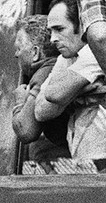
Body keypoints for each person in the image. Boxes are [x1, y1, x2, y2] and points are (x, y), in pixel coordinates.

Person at [36, 0, 106, 173]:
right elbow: (41, 111)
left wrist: (66, 95)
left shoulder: (96, 52)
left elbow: (53, 94)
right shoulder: (66, 58)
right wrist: (79, 90)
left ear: (82, 25)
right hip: (86, 157)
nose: (52, 39)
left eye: (59, 29)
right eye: (51, 31)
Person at [11, 14, 68, 174]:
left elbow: (26, 131)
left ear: (35, 52)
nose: (16, 55)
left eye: (18, 48)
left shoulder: (44, 73)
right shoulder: (57, 66)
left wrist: (20, 103)